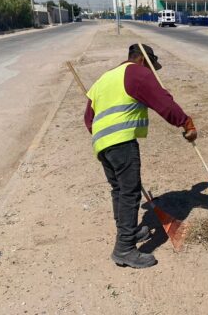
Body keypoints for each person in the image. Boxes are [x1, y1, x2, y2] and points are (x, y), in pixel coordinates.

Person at [84, 43, 197, 269]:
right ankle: (124, 249)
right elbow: (162, 101)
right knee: (129, 193)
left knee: (119, 190)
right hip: (121, 142)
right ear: (143, 60)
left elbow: (89, 118)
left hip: (102, 145)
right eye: (152, 68)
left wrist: (104, 138)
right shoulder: (137, 73)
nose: (153, 73)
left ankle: (129, 232)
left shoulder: (105, 78)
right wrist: (185, 122)